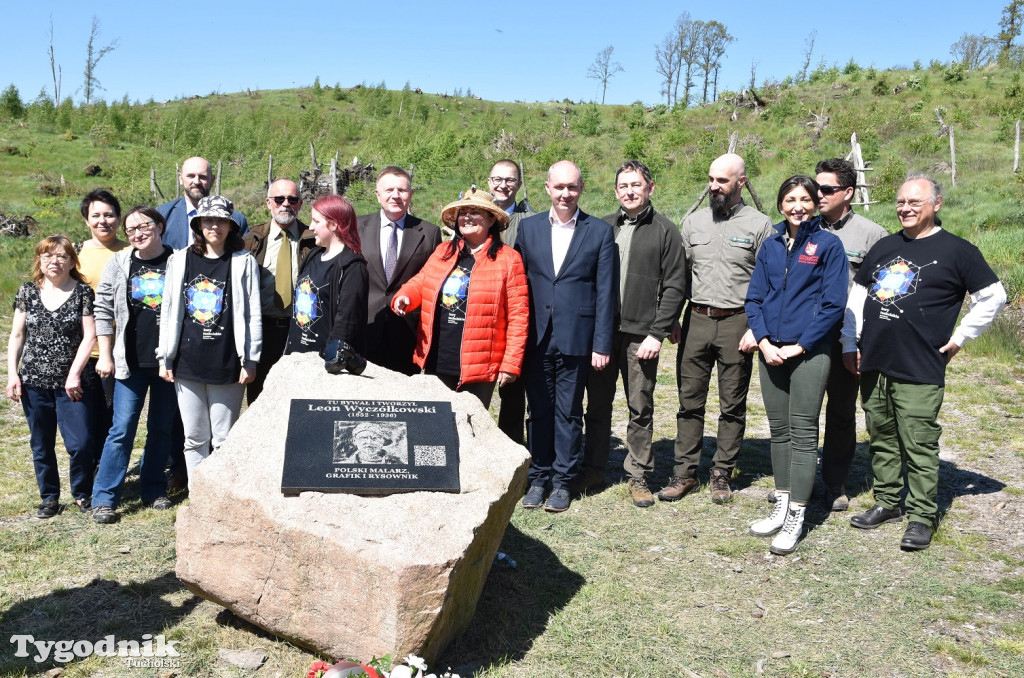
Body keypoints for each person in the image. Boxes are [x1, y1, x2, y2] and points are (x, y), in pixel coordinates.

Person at [842, 175, 1006, 551]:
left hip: (920, 364)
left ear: (937, 203)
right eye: (900, 202)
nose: (906, 208)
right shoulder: (885, 246)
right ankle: (887, 502)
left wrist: (961, 337)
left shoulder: (958, 251)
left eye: (914, 202)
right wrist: (849, 341)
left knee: (918, 442)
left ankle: (921, 516)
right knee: (882, 438)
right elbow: (858, 298)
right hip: (874, 359)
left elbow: (993, 296)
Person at [742, 176, 848, 554]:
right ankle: (782, 503)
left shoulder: (828, 245)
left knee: (803, 432)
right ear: (781, 204)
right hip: (771, 350)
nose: (797, 206)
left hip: (810, 351)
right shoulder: (770, 245)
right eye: (790, 199)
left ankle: (796, 516)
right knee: (779, 430)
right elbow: (754, 299)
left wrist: (800, 345)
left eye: (805, 199)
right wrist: (765, 340)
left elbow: (834, 304)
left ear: (816, 203)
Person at [671, 153, 774, 504]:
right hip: (696, 320)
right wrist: (672, 317)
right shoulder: (693, 223)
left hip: (738, 323)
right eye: (711, 179)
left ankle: (721, 473)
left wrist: (759, 330)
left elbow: (771, 282)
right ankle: (684, 473)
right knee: (689, 402)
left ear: (741, 182)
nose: (714, 186)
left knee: (732, 404)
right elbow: (680, 275)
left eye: (722, 181)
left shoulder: (760, 226)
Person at [582, 160, 686, 506]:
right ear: (615, 191)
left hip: (642, 336)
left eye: (636, 185)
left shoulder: (666, 231)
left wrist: (658, 333)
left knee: (639, 405)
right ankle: (594, 468)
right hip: (602, 332)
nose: (629, 191)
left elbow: (674, 286)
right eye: (623, 186)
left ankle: (638, 474)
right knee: (596, 404)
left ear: (650, 188)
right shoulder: (602, 227)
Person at [515, 160, 616, 513]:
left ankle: (562, 481)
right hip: (536, 337)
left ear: (581, 188)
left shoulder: (600, 232)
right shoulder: (527, 230)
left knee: (569, 413)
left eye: (572, 187)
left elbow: (606, 293)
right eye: (559, 187)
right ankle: (538, 477)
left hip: (578, 337)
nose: (565, 193)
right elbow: (520, 286)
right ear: (547, 188)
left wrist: (602, 343)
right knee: (538, 410)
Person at [392, 186, 529, 408]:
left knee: (472, 425)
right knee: (437, 422)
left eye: (475, 212)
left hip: (480, 362)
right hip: (438, 353)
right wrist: (405, 296)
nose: (467, 217)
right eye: (463, 213)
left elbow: (519, 316)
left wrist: (510, 364)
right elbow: (422, 280)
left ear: (491, 219)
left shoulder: (508, 259)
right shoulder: (444, 251)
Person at [156, 196, 262, 479]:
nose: (214, 226)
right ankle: (198, 497)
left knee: (224, 437)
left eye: (221, 220)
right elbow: (169, 311)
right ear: (198, 224)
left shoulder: (243, 262)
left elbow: (252, 313)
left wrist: (250, 358)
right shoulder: (179, 260)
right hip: (186, 361)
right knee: (194, 437)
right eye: (208, 220)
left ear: (231, 225)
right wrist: (164, 356)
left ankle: (221, 495)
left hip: (227, 360)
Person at [91, 207, 176, 524]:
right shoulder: (119, 263)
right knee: (122, 428)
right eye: (130, 230)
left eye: (144, 226)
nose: (138, 233)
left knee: (161, 429)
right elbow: (102, 308)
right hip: (130, 362)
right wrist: (107, 352)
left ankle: (153, 490)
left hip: (167, 363)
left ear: (160, 226)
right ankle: (104, 498)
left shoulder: (177, 261)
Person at [812, 158, 888, 511]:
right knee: (804, 411)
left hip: (847, 338)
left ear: (848, 192)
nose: (818, 195)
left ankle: (834, 483)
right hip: (807, 338)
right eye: (817, 188)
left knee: (841, 412)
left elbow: (883, 294)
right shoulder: (804, 228)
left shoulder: (872, 236)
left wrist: (863, 341)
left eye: (827, 189)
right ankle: (799, 480)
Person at [6, 235, 96, 518]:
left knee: (80, 443)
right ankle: (49, 497)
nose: (54, 261)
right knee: (41, 442)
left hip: (73, 384)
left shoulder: (83, 292)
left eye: (61, 256)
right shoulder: (27, 292)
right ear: (39, 261)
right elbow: (17, 335)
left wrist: (74, 375)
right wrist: (12, 374)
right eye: (47, 256)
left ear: (72, 261)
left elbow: (89, 336)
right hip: (33, 381)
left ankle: (82, 493)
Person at [357, 167, 442, 375]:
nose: (395, 195)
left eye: (402, 190)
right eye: (389, 190)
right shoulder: (357, 227)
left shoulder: (429, 233)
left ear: (410, 195)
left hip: (407, 333)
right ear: (378, 195)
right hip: (365, 330)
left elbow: (432, 282)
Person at [242, 179, 315, 401]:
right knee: (260, 397)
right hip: (263, 330)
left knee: (301, 395)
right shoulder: (251, 241)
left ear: (300, 204)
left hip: (302, 330)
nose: (286, 204)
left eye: (292, 199)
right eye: (279, 199)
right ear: (268, 203)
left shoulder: (313, 239)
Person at [75, 189, 129, 471]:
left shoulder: (130, 250)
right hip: (86, 348)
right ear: (86, 220)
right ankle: (92, 467)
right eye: (96, 215)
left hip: (123, 345)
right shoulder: (76, 253)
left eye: (109, 215)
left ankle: (106, 468)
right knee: (89, 413)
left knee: (115, 415)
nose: (103, 221)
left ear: (119, 219)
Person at [285, 195, 368, 360]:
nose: (311, 227)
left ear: (333, 225)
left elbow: (346, 322)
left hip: (323, 363)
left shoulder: (352, 268)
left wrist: (331, 359)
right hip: (295, 356)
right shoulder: (313, 256)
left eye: (316, 222)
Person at [490, 159, 534, 445]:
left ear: (518, 184)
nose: (503, 185)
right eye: (497, 179)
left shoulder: (532, 221)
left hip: (515, 314)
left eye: (509, 180)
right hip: (481, 315)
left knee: (513, 391)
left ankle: (513, 449)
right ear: (488, 181)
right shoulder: (473, 215)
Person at [158, 156, 249, 251]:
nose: (196, 181)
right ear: (180, 178)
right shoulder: (163, 215)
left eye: (202, 177)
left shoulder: (236, 219)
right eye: (191, 176)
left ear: (212, 180)